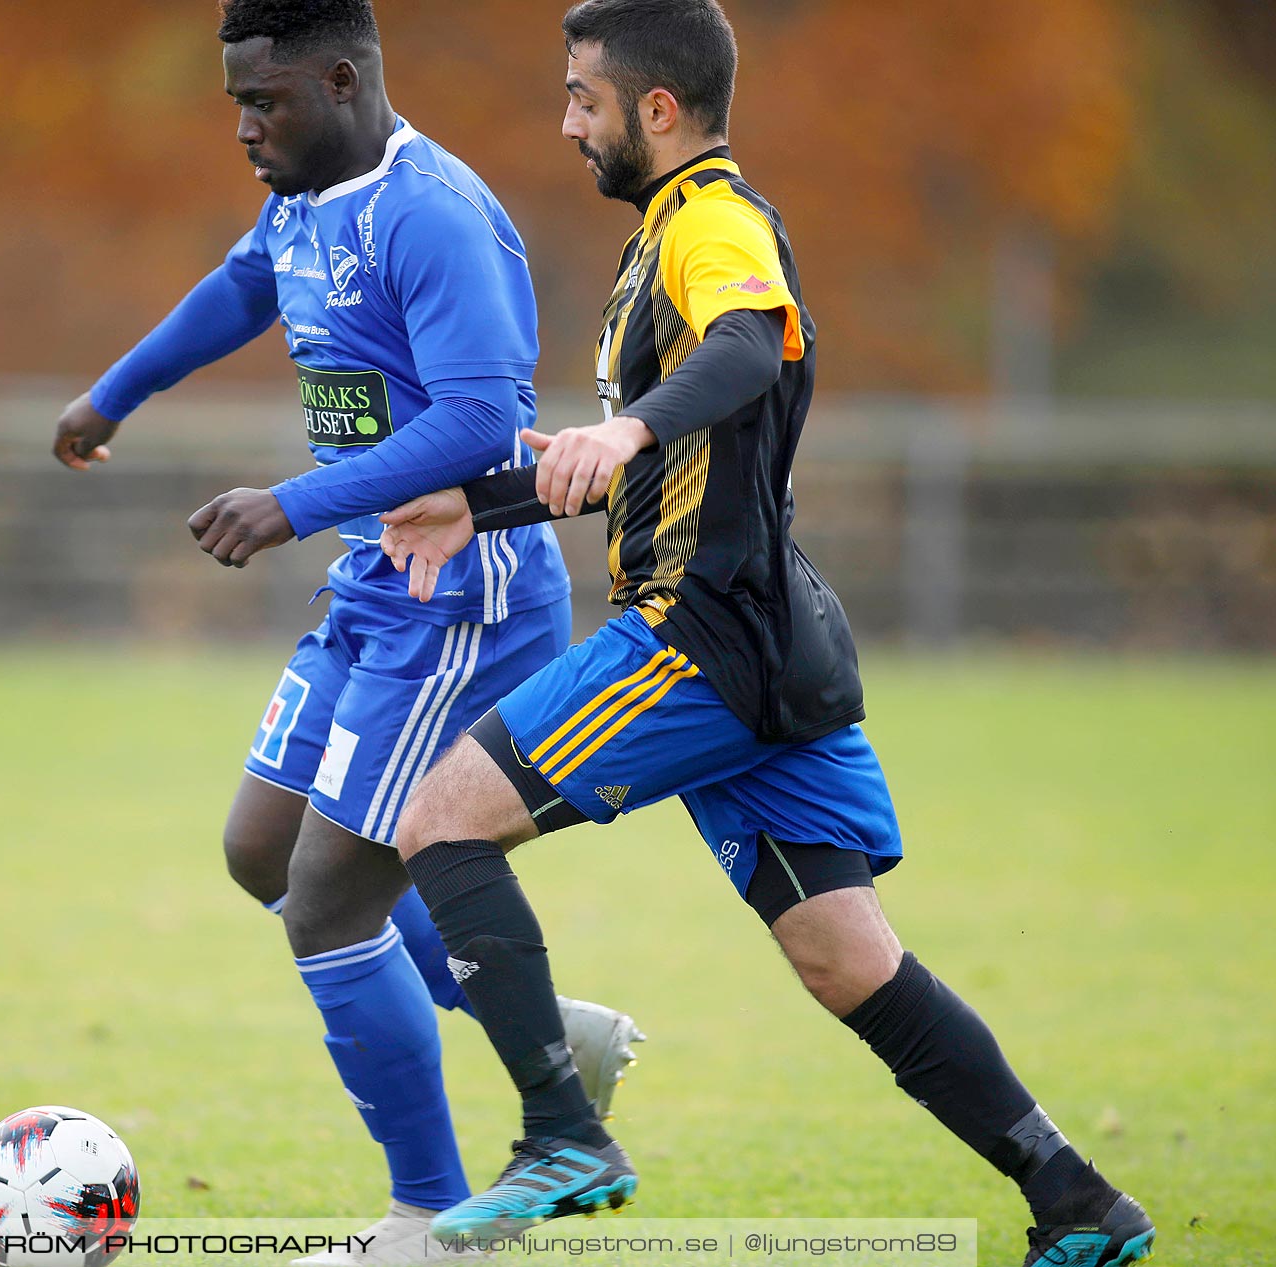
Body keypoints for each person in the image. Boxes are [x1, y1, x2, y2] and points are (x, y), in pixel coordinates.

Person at [375, 3, 1157, 1265]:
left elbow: (749, 346)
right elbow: (657, 444)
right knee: (851, 961)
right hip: (778, 647)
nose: (569, 123)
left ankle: (562, 1134)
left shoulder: (716, 224)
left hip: (697, 642)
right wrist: (478, 504)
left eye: (585, 98)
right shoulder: (658, 246)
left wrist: (625, 429)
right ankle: (1078, 1200)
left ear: (660, 111)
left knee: (436, 822)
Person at [52, 3, 643, 1262]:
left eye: (263, 102)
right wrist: (113, 396)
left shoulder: (426, 213)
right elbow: (237, 288)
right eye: (235, 105)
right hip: (378, 585)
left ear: (341, 78)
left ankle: (429, 1220)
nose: (246, 128)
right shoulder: (306, 201)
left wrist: (294, 502)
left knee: (328, 902)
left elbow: (486, 420)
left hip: (462, 600)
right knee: (261, 851)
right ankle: (548, 1031)